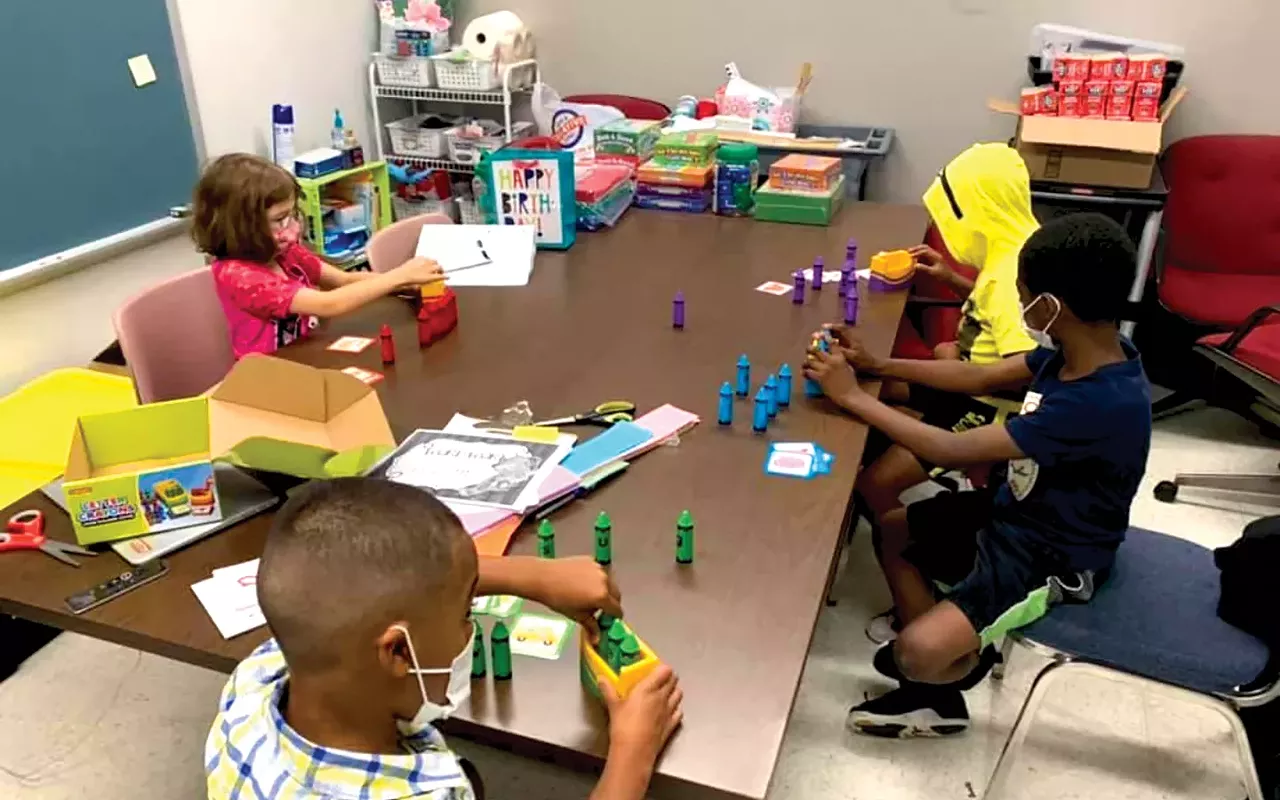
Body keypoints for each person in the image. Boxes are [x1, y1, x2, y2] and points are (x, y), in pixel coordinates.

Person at [804, 213, 1151, 737]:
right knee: (894, 526)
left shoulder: (1098, 402)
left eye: (1023, 294)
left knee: (915, 655)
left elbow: (949, 447)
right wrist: (879, 365)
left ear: (1051, 307)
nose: (1017, 304)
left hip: (1054, 556)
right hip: (1016, 513)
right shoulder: (1084, 352)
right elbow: (980, 375)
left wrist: (850, 395)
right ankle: (945, 644)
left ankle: (944, 675)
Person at [206, 478, 683, 799]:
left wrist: (531, 576)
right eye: (465, 613)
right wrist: (631, 755)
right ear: (395, 651)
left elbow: (373, 586)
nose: (468, 630)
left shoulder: (255, 679)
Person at [855, 143, 1040, 643]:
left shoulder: (1006, 277)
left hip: (981, 408)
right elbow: (996, 315)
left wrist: (952, 363)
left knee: (875, 483)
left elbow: (1029, 367)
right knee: (874, 388)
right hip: (961, 383)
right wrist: (953, 281)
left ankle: (918, 616)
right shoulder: (1020, 246)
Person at [192, 154, 444, 359]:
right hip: (268, 380)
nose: (291, 229)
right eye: (279, 220)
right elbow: (329, 303)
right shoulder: (239, 276)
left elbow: (342, 280)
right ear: (240, 227)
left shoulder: (284, 253)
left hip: (307, 355)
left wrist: (400, 282)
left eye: (291, 215)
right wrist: (397, 277)